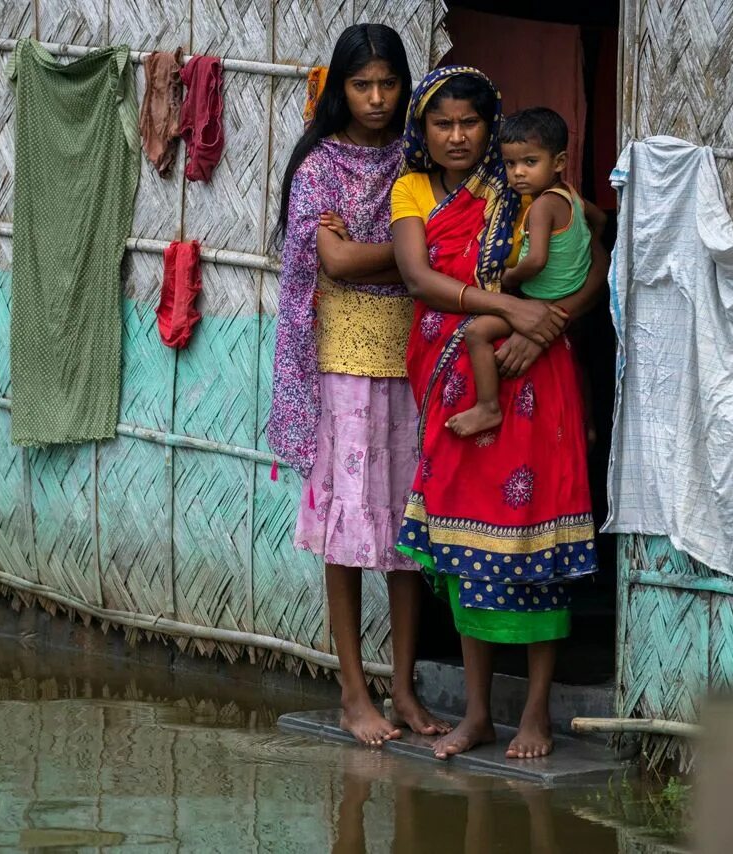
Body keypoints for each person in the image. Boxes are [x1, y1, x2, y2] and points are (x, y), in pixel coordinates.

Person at [390, 67, 606, 760]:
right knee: (464, 546)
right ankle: (479, 714)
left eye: (470, 123)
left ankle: (536, 713)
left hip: (539, 378)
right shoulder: (415, 190)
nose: (457, 136)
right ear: (422, 129)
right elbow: (421, 278)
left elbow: (600, 256)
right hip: (460, 385)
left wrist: (548, 323)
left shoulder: (531, 189)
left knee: (538, 545)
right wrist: (513, 311)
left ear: (492, 127)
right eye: (442, 123)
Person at [268, 23, 448, 747]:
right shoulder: (318, 168)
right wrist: (409, 255)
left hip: (411, 359)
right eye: (361, 84)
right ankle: (351, 691)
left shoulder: (421, 158)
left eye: (389, 84)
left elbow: (432, 246)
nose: (377, 98)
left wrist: (385, 255)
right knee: (347, 533)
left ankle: (402, 689)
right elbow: (335, 265)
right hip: (342, 362)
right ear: (339, 89)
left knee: (407, 529)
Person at [447, 107, 599, 438]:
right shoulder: (571, 196)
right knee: (581, 363)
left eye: (530, 162)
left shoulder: (541, 206)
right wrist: (581, 244)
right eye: (511, 164)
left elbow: (538, 260)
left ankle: (488, 407)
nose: (518, 173)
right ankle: (588, 426)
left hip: (541, 301)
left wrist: (510, 277)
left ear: (558, 163)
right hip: (569, 297)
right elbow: (600, 220)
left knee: (476, 333)